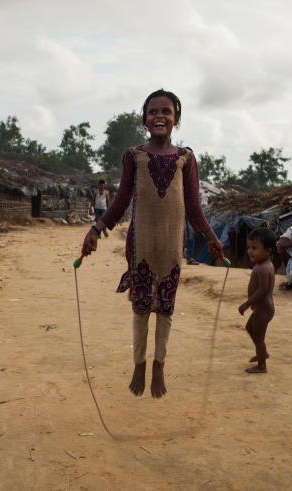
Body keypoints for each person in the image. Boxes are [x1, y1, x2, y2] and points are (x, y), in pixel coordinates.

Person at [81, 89, 223, 398]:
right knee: (142, 305)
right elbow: (120, 201)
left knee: (166, 307)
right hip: (141, 244)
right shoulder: (135, 156)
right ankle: (139, 364)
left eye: (167, 111)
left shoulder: (186, 158)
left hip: (172, 246)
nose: (160, 116)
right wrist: (96, 228)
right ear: (144, 120)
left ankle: (159, 364)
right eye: (153, 111)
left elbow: (194, 206)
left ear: (176, 119)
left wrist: (210, 238)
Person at [239, 228, 276, 374]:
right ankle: (262, 353)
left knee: (259, 338)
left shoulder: (263, 268)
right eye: (249, 247)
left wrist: (247, 304)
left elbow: (263, 290)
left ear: (267, 251)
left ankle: (262, 365)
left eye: (254, 248)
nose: (250, 251)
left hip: (264, 310)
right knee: (250, 328)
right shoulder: (262, 265)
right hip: (262, 309)